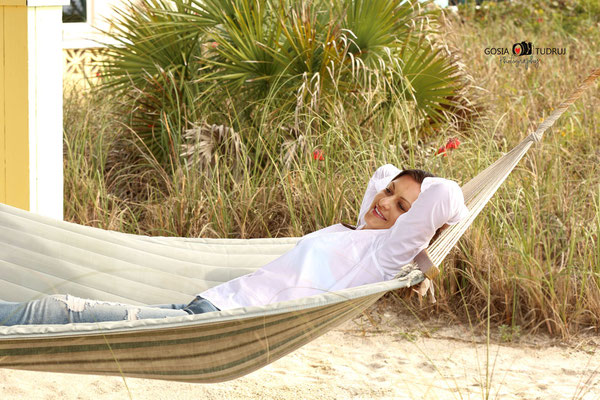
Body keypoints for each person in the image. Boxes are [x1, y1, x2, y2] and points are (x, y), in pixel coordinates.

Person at [0, 164, 468, 326]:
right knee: (75, 306)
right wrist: (419, 248)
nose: (386, 201)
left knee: (58, 313)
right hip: (205, 307)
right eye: (389, 193)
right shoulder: (355, 233)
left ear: (417, 226)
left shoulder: (383, 255)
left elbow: (448, 198)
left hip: (224, 321)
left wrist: (421, 253)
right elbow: (382, 173)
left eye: (405, 207)